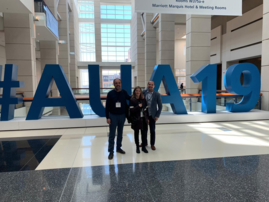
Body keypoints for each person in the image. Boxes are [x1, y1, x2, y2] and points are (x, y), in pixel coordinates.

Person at [106, 78, 131, 160]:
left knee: (120, 133)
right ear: (114, 84)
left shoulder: (124, 92)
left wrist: (139, 96)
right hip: (113, 116)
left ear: (121, 84)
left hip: (122, 115)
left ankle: (118, 148)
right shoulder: (110, 94)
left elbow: (130, 98)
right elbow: (107, 107)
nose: (118, 84)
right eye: (116, 83)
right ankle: (111, 151)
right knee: (112, 134)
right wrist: (108, 117)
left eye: (119, 83)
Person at [142, 81, 162, 150]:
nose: (150, 86)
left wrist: (157, 115)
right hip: (144, 114)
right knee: (144, 130)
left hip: (152, 115)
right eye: (149, 84)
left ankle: (152, 144)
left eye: (151, 85)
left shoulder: (157, 94)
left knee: (152, 130)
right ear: (147, 85)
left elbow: (160, 106)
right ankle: (145, 142)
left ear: (154, 86)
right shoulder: (143, 93)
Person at [129, 86, 149, 154]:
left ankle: (143, 147)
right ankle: (137, 147)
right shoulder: (132, 100)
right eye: (136, 90)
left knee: (144, 134)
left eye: (139, 91)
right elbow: (131, 110)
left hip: (143, 119)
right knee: (136, 134)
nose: (138, 92)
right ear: (134, 91)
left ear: (141, 92)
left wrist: (147, 118)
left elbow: (146, 110)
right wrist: (138, 106)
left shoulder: (143, 99)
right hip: (136, 119)